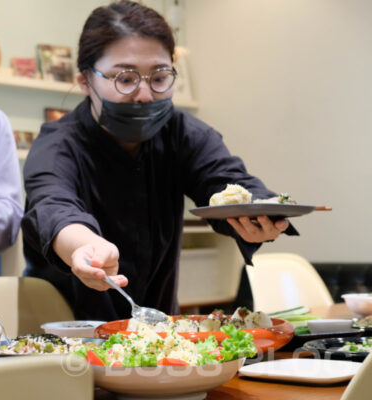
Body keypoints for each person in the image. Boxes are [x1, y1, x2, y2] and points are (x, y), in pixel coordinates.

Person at [22, 0, 297, 322]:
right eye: (125, 79)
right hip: (65, 331)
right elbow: (52, 204)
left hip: (157, 325)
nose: (144, 95)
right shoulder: (58, 143)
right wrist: (83, 246)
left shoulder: (182, 133)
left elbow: (225, 181)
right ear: (85, 81)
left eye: (159, 77)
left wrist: (258, 214)